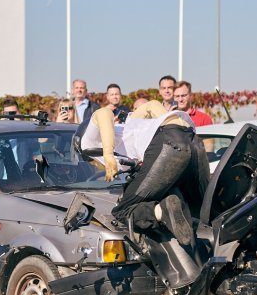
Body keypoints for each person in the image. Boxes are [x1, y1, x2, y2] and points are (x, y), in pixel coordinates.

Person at [79, 100, 209, 247]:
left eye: (90, 164)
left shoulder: (86, 144)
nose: (96, 168)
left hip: (169, 144)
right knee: (203, 211)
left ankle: (162, 210)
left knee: (122, 211)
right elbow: (152, 104)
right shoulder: (132, 126)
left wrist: (108, 154)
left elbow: (104, 113)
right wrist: (174, 127)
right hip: (192, 139)